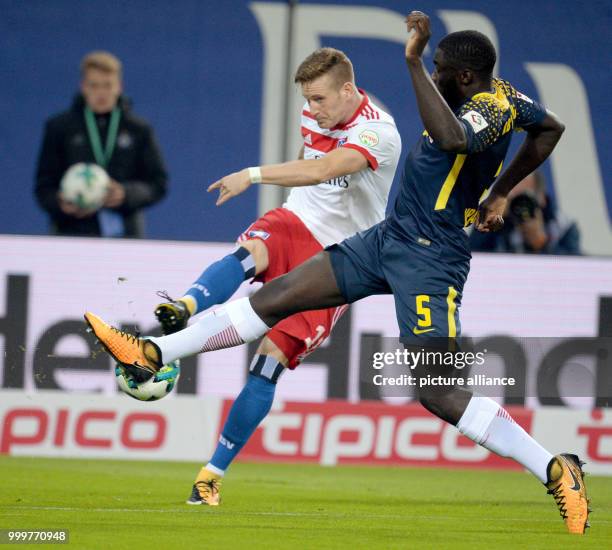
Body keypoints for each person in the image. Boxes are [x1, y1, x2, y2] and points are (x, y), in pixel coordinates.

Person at [85, 13, 590, 534]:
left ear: (463, 78)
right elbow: (551, 126)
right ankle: (151, 352)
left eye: (441, 70)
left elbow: (455, 138)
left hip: (431, 258)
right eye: (431, 67)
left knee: (438, 391)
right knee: (277, 297)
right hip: (388, 238)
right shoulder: (502, 94)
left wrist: (413, 61)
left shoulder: (488, 106)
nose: (434, 76)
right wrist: (503, 190)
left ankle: (556, 470)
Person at [132, 47, 401, 504]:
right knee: (251, 250)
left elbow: (326, 169)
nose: (312, 109)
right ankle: (185, 307)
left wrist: (251, 175)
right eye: (308, 100)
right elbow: (309, 157)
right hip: (298, 222)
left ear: (349, 91)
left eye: (319, 99)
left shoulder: (380, 133)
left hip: (342, 257)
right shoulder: (315, 111)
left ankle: (212, 474)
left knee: (269, 357)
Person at [34, 51, 168, 238]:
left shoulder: (138, 129)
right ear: (83, 87)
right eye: (94, 86)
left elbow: (158, 184)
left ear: (119, 87)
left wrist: (126, 194)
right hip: (70, 233)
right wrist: (60, 202)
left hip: (125, 233)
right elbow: (43, 186)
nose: (101, 93)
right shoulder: (59, 128)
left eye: (108, 85)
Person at [470, 170, 581, 254]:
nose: (519, 205)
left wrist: (541, 244)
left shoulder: (563, 226)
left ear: (541, 198)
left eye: (524, 197)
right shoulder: (502, 222)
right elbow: (473, 253)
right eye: (513, 197)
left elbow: (574, 267)